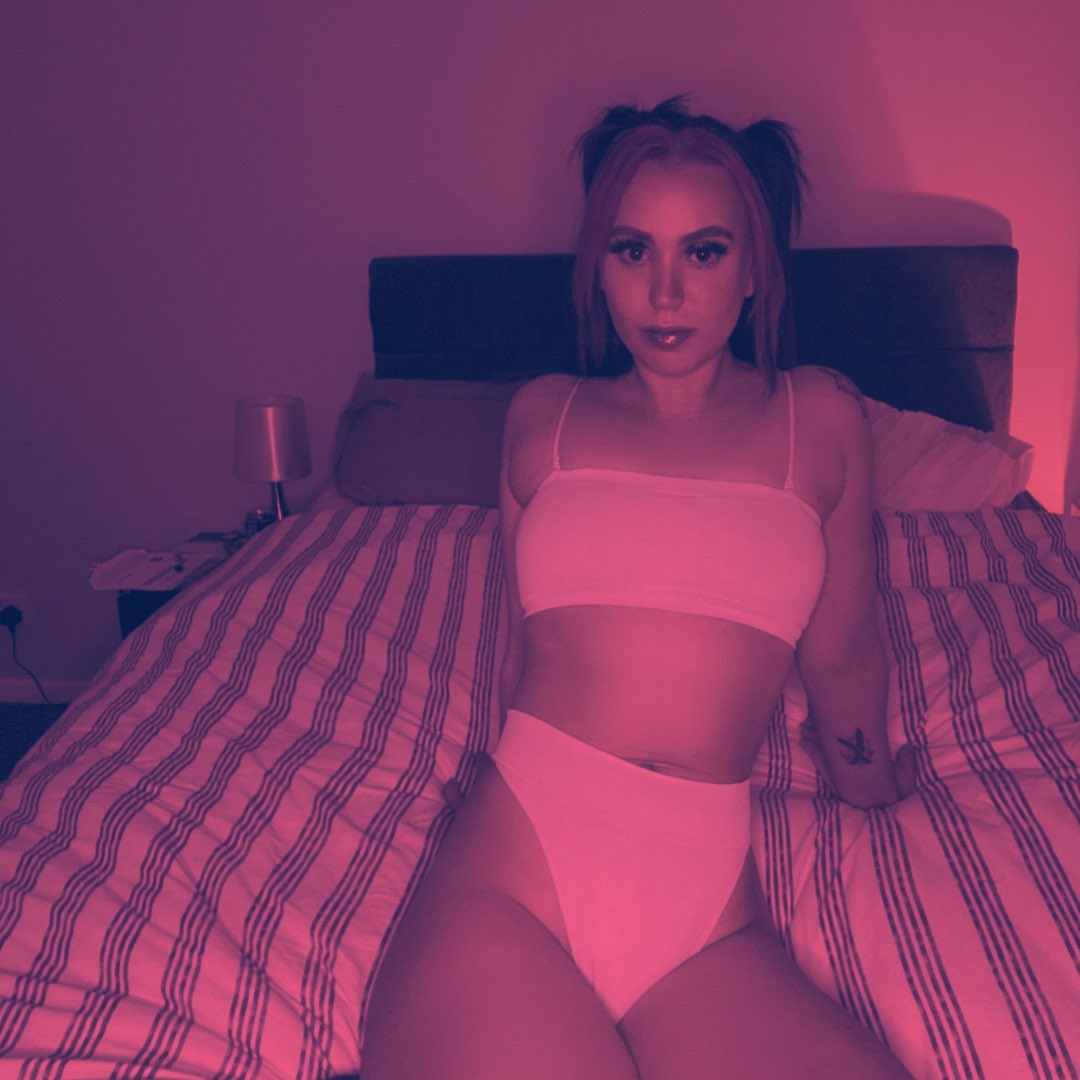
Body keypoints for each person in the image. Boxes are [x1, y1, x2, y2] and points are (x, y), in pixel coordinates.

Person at [359, 95, 916, 1079]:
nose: (665, 292)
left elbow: (844, 650)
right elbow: (524, 649)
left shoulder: (821, 417)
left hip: (705, 912)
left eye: (703, 252)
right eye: (631, 251)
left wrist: (872, 788)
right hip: (517, 870)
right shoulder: (543, 417)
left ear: (754, 270)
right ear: (598, 268)